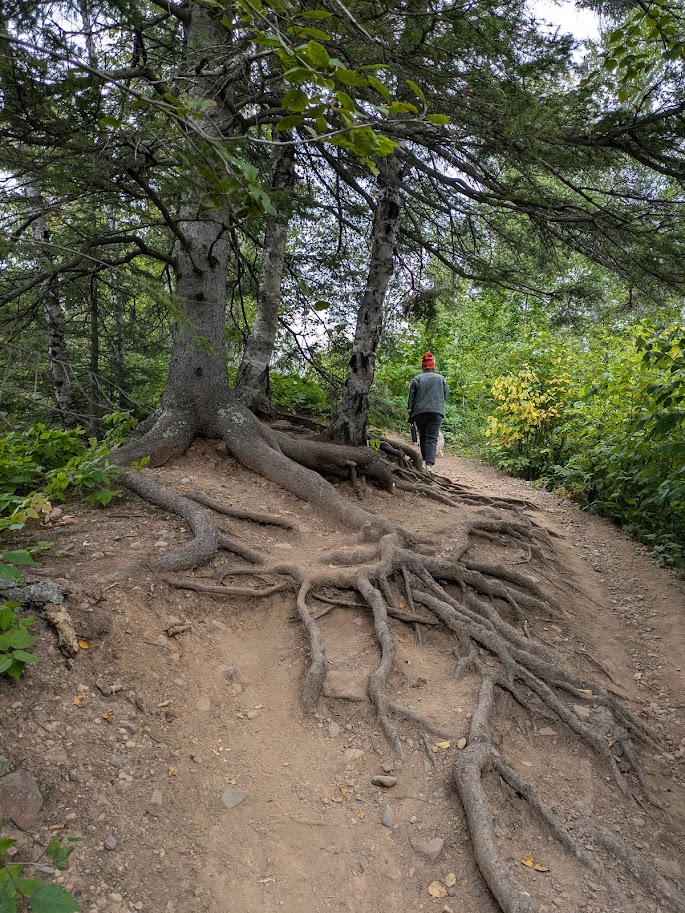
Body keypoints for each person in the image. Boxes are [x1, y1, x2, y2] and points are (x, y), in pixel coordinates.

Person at [407, 352, 449, 472]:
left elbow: (411, 399)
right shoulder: (441, 379)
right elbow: (446, 395)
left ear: (422, 367)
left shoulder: (417, 379)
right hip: (436, 411)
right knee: (432, 437)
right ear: (433, 366)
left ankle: (425, 460)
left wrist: (410, 412)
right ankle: (429, 465)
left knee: (423, 437)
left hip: (419, 412)